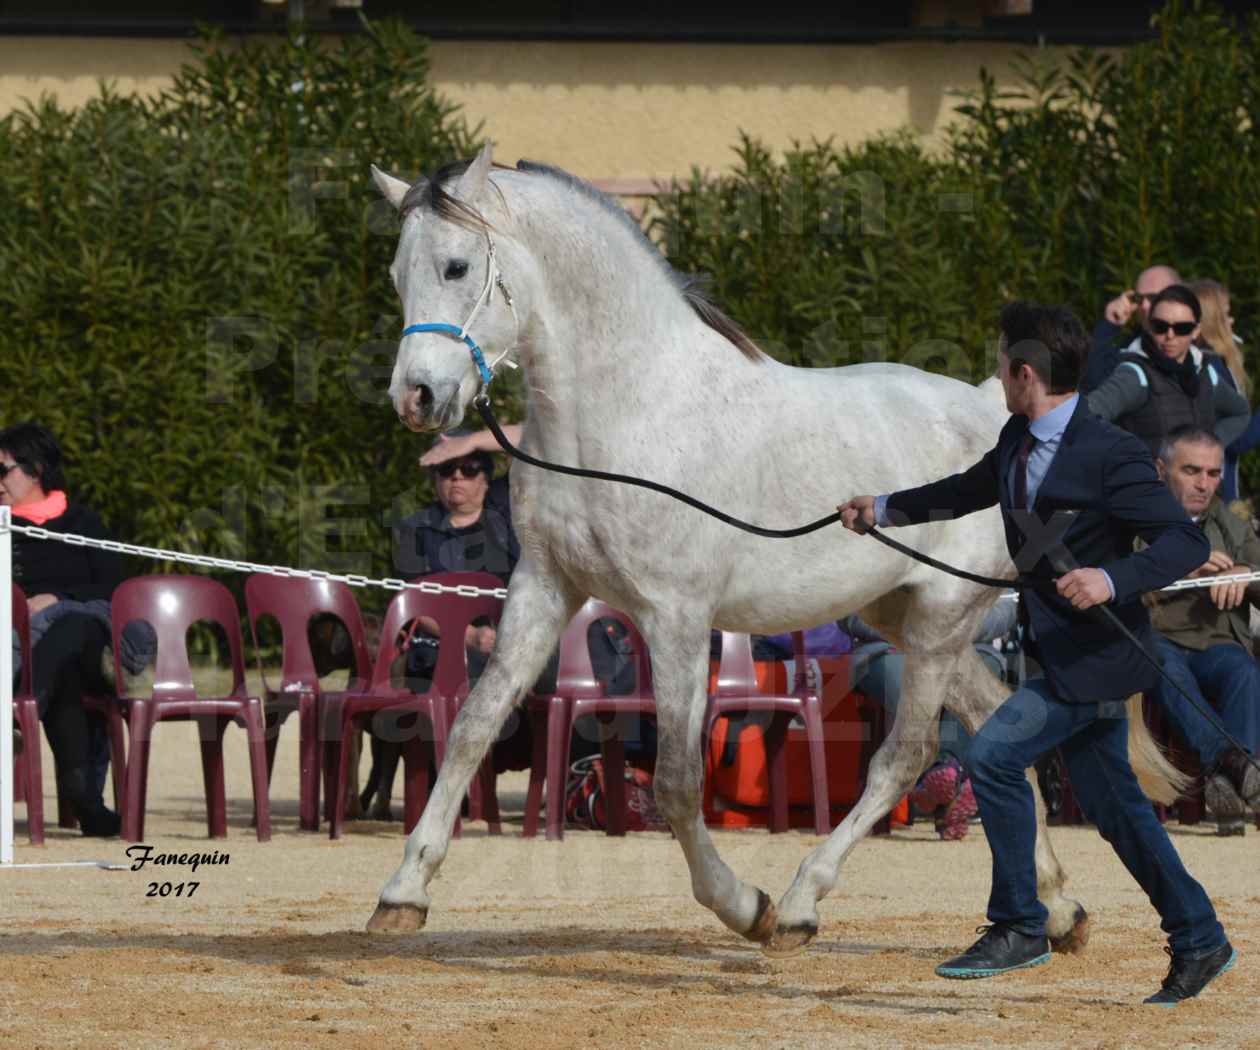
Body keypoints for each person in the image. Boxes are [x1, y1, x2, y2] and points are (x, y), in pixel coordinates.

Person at [839, 301, 1235, 1004]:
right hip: (1059, 656)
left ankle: (1020, 924)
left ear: (1024, 373)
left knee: (992, 757)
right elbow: (967, 490)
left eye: (1000, 361)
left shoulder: (1108, 452)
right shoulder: (1017, 439)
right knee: (1121, 814)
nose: (997, 370)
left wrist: (1113, 577)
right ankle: (1201, 936)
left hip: (1100, 660)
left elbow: (1185, 541)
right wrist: (885, 507)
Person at [2, 422, 123, 836]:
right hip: (25, 648)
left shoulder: (83, 523)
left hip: (86, 638)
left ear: (35, 470)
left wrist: (56, 598)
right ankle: (86, 803)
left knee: (70, 626)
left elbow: (113, 586)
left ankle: (15, 710)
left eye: (2, 471)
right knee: (64, 679)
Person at [1146, 426, 1260, 835]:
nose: (1204, 483)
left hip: (1217, 644)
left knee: (1245, 674)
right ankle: (1237, 765)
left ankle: (1225, 785)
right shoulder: (1134, 518)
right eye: (1192, 470)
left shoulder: (1233, 523)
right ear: (1161, 470)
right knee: (1165, 669)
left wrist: (1247, 574)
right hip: (1157, 641)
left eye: (1213, 473)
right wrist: (1177, 566)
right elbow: (1110, 581)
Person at [1086, 284, 1250, 458]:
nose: (1170, 335)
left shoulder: (1205, 372)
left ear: (1196, 331)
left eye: (1182, 328)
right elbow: (1083, 417)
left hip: (1202, 485)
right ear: (1149, 327)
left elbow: (1241, 413)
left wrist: (1208, 448)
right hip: (1146, 484)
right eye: (1160, 326)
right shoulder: (1136, 374)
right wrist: (1130, 466)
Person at [1189, 279, 1260, 502]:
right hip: (1214, 494)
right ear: (1213, 322)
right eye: (1226, 314)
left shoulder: (1201, 362)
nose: (1232, 321)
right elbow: (1238, 439)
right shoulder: (1211, 367)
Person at [1082, 264, 1180, 394]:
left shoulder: (1200, 354)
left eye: (1153, 298)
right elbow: (1094, 383)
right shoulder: (1131, 350)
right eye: (1139, 299)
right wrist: (1110, 323)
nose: (1144, 306)